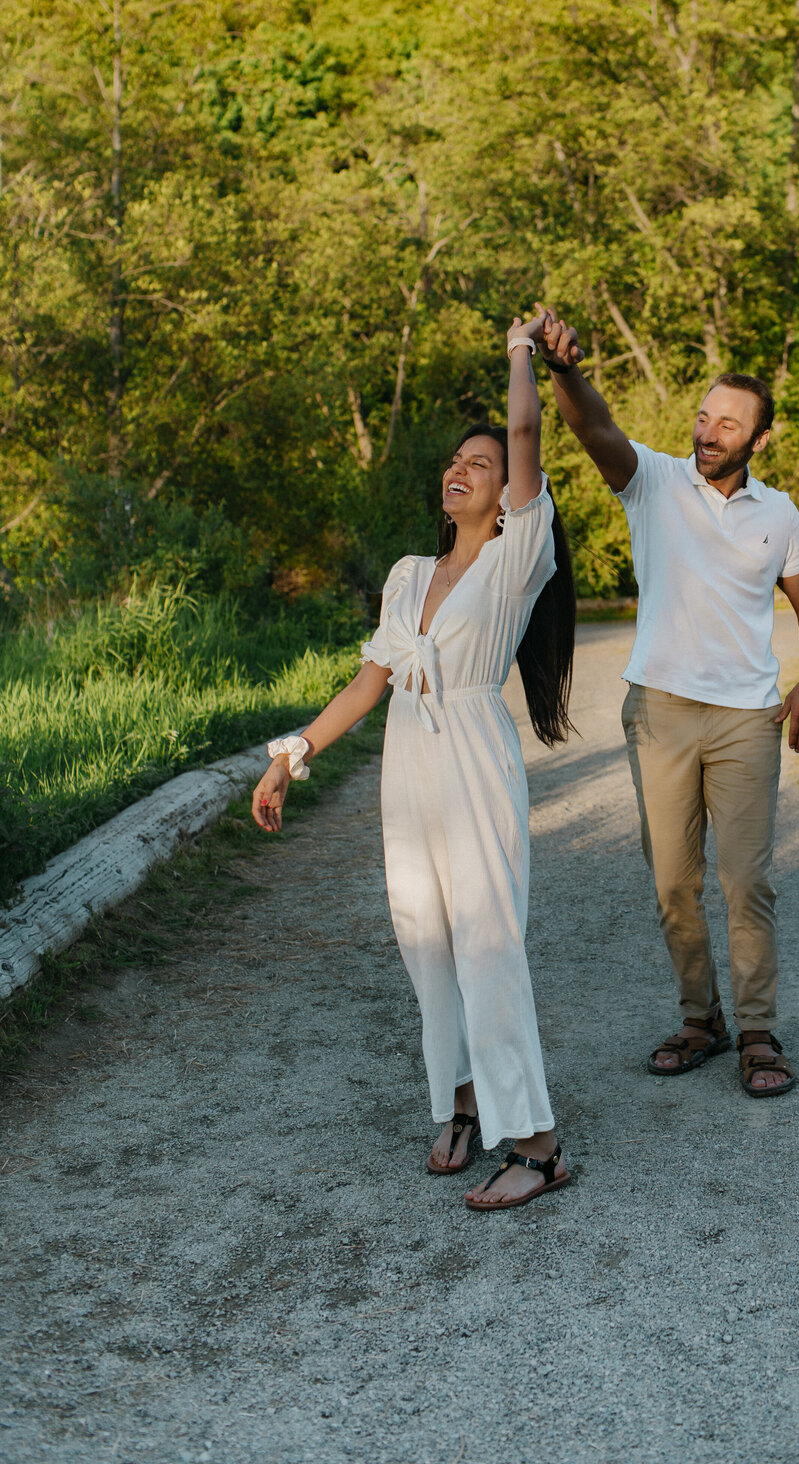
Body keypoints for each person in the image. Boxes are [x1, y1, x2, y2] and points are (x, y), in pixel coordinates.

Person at [250, 314, 574, 1210]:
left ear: (510, 488)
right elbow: (369, 684)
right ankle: (463, 1103)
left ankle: (540, 1148)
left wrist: (521, 350)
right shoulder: (405, 575)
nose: (459, 470)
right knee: (425, 940)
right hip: (408, 777)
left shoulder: (518, 558)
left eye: (479, 463)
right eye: (453, 462)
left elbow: (525, 430)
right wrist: (292, 755)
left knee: (486, 948)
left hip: (473, 764)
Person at [534, 306, 799, 1098]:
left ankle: (759, 1031)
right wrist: (564, 369)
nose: (709, 430)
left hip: (745, 721)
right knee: (673, 881)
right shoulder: (655, 482)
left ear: (758, 439)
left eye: (729, 423)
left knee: (746, 881)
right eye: (704, 415)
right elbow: (595, 430)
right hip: (660, 711)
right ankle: (700, 1020)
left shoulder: (779, 513)